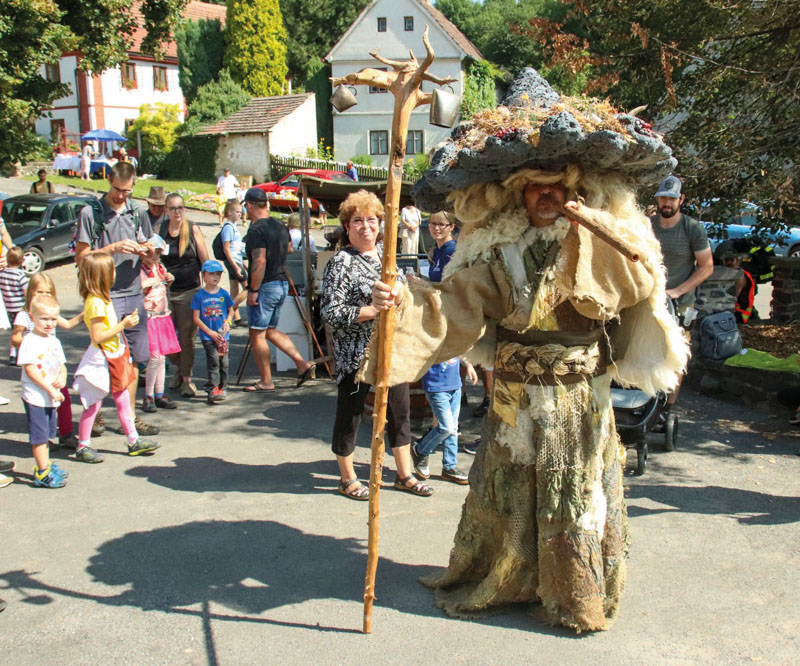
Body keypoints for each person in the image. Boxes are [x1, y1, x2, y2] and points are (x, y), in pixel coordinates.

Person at [368, 68, 688, 632]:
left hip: (579, 398)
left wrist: (607, 235)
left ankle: (573, 593)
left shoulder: (602, 240)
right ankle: (508, 578)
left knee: (574, 493)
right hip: (515, 396)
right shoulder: (500, 250)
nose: (548, 196)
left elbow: (637, 285)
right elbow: (457, 303)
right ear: (518, 192)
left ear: (576, 189)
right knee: (512, 489)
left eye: (557, 186)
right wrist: (401, 300)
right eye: (536, 187)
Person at [321, 189, 433, 501]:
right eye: (358, 220)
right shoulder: (341, 262)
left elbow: (403, 296)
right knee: (351, 414)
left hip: (390, 352)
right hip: (355, 356)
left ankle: (405, 475)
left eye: (371, 220)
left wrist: (402, 295)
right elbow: (330, 312)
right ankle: (347, 478)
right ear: (347, 226)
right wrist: (371, 310)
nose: (366, 226)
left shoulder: (387, 257)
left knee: (400, 412)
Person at [74, 161, 159, 437]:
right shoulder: (91, 213)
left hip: (133, 291)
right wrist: (112, 248)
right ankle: (94, 416)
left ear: (134, 186)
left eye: (127, 191)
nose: (121, 196)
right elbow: (81, 258)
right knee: (101, 358)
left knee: (133, 359)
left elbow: (151, 249)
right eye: (116, 190)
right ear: (108, 182)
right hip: (104, 294)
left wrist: (148, 251)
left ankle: (129, 419)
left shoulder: (137, 212)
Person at [73, 251, 160, 461]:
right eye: (111, 271)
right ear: (101, 275)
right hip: (101, 359)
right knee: (94, 404)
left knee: (123, 400)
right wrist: (123, 325)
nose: (114, 274)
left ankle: (133, 440)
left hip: (114, 355)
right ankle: (83, 446)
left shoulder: (102, 298)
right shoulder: (95, 302)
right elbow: (97, 335)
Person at [411, 211, 477, 484]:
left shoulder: (451, 251)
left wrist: (424, 285)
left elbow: (450, 289)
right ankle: (443, 461)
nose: (436, 228)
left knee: (450, 424)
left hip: (446, 318)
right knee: (448, 423)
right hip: (440, 324)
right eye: (432, 224)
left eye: (442, 224)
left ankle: (437, 458)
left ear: (452, 226)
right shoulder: (437, 251)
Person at [650, 174, 713, 411]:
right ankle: (642, 400)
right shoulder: (648, 226)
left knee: (675, 354)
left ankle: (669, 406)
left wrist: (677, 291)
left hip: (680, 302)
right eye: (663, 198)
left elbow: (706, 266)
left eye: (672, 198)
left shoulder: (692, 228)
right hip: (648, 299)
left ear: (681, 199)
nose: (667, 203)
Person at [242, 187, 314, 392]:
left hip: (265, 285)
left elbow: (260, 260)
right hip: (281, 283)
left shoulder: (256, 230)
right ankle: (302, 364)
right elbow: (289, 248)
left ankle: (266, 381)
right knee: (270, 331)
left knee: (257, 333)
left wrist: (253, 290)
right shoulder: (280, 225)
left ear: (249, 205)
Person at [11, 273, 83, 448]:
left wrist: (85, 314)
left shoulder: (48, 313)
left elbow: (67, 324)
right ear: (30, 292)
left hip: (53, 365)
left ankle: (66, 434)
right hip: (37, 367)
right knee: (39, 403)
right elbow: (15, 338)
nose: (44, 295)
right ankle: (43, 438)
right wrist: (31, 342)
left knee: (63, 399)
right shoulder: (25, 315)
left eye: (48, 292)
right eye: (39, 292)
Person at [158, 193, 209, 397]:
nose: (177, 212)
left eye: (180, 207)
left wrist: (208, 288)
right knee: (165, 337)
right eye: (172, 208)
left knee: (187, 338)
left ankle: (187, 379)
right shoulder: (161, 229)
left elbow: (204, 260)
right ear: (166, 210)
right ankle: (178, 368)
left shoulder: (192, 228)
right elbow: (152, 258)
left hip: (189, 290)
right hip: (165, 292)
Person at [17, 295, 71, 487]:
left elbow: (62, 365)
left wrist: (62, 377)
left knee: (47, 434)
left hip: (50, 397)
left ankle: (46, 465)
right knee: (39, 437)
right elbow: (30, 370)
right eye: (44, 319)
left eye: (53, 319)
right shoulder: (30, 341)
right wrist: (50, 389)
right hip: (36, 397)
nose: (49, 323)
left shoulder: (53, 341)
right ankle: (42, 473)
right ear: (32, 318)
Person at [139, 235, 180, 413]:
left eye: (157, 253)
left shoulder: (160, 268)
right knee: (154, 357)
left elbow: (162, 287)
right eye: (151, 253)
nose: (155, 256)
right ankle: (148, 396)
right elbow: (136, 289)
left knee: (161, 358)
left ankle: (159, 394)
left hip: (162, 316)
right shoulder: (140, 270)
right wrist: (146, 284)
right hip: (150, 317)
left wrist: (169, 279)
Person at [191, 260, 234, 404]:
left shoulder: (224, 294)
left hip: (223, 336)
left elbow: (231, 311)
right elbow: (196, 318)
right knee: (214, 361)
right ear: (204, 275)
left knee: (224, 362)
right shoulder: (199, 296)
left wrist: (228, 322)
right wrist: (209, 332)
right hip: (208, 336)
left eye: (218, 274)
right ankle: (213, 388)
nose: (215, 277)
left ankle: (223, 387)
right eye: (211, 274)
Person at [219, 200, 248, 326]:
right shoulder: (228, 227)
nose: (240, 214)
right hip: (233, 261)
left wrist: (243, 264)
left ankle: (236, 318)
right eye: (237, 212)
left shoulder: (234, 226)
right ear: (229, 212)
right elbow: (226, 248)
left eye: (240, 212)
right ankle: (228, 311)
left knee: (234, 289)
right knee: (248, 287)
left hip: (236, 260)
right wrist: (236, 266)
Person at [0, 246, 29, 365]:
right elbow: (26, 292)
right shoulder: (20, 275)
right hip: (20, 308)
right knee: (21, 331)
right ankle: (21, 353)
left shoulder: (2, 274)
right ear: (22, 261)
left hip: (8, 308)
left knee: (14, 331)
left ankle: (13, 353)